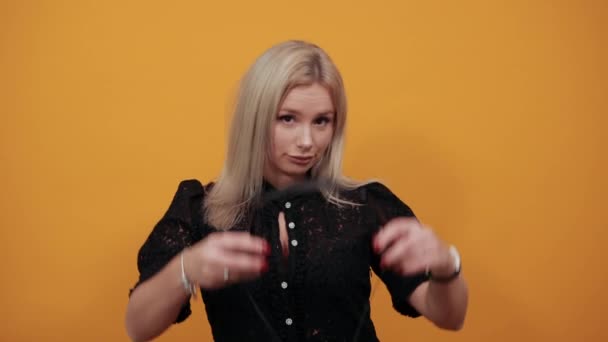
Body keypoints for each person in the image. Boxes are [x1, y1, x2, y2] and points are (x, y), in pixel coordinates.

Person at [125, 40, 468, 342]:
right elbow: (138, 327)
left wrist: (446, 266)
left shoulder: (366, 205)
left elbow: (450, 317)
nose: (307, 141)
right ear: (255, 118)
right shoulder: (200, 209)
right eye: (287, 118)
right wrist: (186, 268)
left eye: (321, 121)